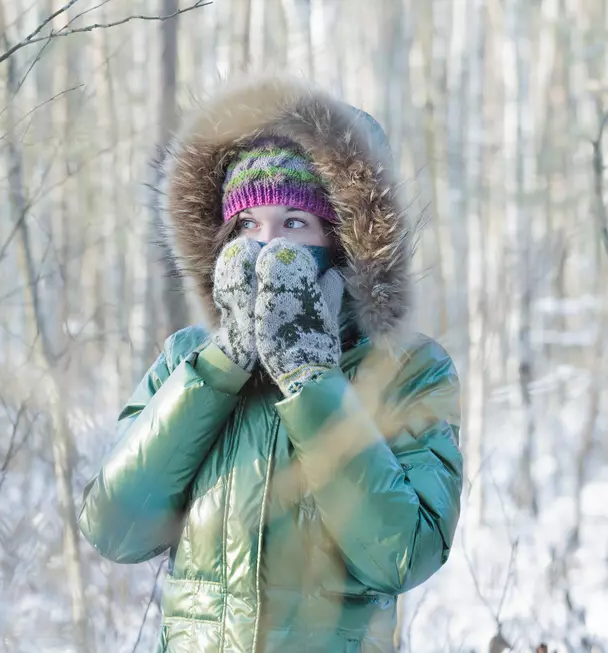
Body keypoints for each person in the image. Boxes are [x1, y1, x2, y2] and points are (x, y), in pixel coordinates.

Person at [77, 75, 463, 652]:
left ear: (341, 240)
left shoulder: (407, 370)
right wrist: (221, 365)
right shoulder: (189, 361)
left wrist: (310, 379)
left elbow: (402, 554)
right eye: (248, 227)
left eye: (294, 225)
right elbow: (115, 529)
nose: (266, 247)